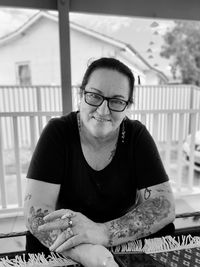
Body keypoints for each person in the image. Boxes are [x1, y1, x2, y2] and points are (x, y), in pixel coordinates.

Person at [24, 57, 175, 267]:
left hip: (124, 245)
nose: (103, 111)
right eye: (94, 96)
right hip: (67, 247)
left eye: (117, 101)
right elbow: (36, 213)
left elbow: (164, 206)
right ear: (81, 94)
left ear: (127, 106)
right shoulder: (58, 132)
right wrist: (84, 252)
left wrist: (102, 232)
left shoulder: (136, 135)